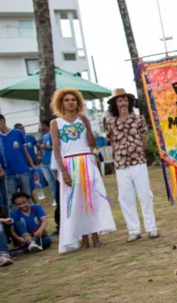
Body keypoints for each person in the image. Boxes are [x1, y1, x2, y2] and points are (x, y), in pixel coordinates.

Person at [51, 88, 116, 252]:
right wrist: (63, 171)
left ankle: (96, 236)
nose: (70, 102)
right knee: (76, 202)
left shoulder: (83, 119)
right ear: (61, 103)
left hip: (87, 161)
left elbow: (92, 143)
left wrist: (87, 125)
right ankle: (83, 239)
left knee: (91, 199)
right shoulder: (55, 123)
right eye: (66, 100)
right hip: (69, 164)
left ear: (78, 102)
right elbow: (56, 148)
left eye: (73, 99)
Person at [104, 88, 158, 242]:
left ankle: (151, 227)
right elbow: (112, 142)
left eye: (125, 100)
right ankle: (133, 230)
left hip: (138, 161)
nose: (123, 103)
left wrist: (139, 148)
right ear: (115, 103)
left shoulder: (138, 119)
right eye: (120, 100)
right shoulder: (110, 122)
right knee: (125, 198)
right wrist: (119, 154)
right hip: (121, 164)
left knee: (144, 194)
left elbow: (144, 138)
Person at [0, 114, 36, 212]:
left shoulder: (17, 133)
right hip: (8, 174)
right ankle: (14, 224)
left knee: (27, 197)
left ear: (2, 121)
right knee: (11, 201)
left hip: (23, 170)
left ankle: (33, 221)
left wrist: (33, 167)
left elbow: (25, 151)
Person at [37, 120, 57, 204]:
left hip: (51, 160)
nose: (40, 127)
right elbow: (41, 148)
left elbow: (55, 147)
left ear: (45, 125)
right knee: (50, 181)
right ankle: (55, 198)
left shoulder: (52, 134)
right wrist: (39, 156)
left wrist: (46, 147)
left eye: (41, 125)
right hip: (44, 162)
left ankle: (59, 196)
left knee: (56, 179)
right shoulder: (42, 136)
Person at [0, 200, 13, 267]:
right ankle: (2, 256)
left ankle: (2, 255)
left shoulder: (3, 220)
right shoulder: (4, 220)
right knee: (0, 234)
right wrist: (4, 220)